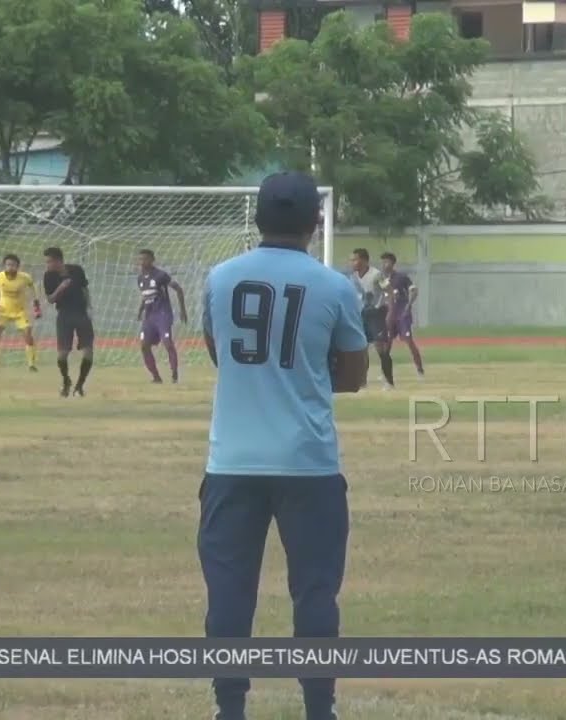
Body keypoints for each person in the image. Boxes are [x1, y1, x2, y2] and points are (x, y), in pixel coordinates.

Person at [199, 172, 368, 720]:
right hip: (308, 463)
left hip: (232, 463)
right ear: (315, 222)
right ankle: (320, 708)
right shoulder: (335, 285)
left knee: (229, 593)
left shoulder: (220, 279)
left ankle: (230, 709)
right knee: (315, 593)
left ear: (257, 218)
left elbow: (218, 353)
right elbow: (354, 374)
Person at [42, 247, 96, 397]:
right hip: (64, 315)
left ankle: (80, 385)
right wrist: (60, 288)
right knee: (62, 355)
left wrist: (90, 307)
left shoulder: (77, 270)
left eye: (49, 262)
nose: (47, 265)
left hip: (81, 314)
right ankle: (66, 381)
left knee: (88, 352)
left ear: (58, 260)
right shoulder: (48, 276)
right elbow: (50, 299)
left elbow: (85, 289)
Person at [135, 249, 187, 384]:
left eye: (145, 259)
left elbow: (178, 289)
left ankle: (174, 373)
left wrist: (183, 310)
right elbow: (145, 296)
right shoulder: (140, 278)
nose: (142, 262)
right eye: (140, 259)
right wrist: (140, 311)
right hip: (149, 316)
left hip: (162, 314)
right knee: (144, 346)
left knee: (167, 343)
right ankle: (156, 377)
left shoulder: (160, 275)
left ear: (152, 260)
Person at [0, 254, 41, 372]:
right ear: (4, 266)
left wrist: (36, 306)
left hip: (20, 311)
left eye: (13, 265)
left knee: (28, 335)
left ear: (18, 266)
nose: (11, 267)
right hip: (3, 310)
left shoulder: (25, 278)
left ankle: (31, 364)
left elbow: (33, 288)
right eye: (8, 265)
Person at [378, 252, 424, 386]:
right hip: (389, 315)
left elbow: (414, 291)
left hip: (401, 315)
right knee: (386, 345)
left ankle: (420, 369)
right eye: (383, 262)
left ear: (393, 263)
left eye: (387, 262)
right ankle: (385, 373)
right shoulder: (381, 279)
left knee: (409, 341)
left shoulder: (401, 277)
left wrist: (408, 305)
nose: (384, 265)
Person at [348, 248, 388, 388]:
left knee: (380, 346)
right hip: (361, 315)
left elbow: (388, 291)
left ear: (364, 260)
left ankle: (387, 376)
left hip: (376, 315)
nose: (352, 262)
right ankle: (362, 380)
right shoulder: (353, 277)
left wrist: (384, 308)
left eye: (355, 259)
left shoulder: (377, 275)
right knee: (362, 347)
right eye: (351, 260)